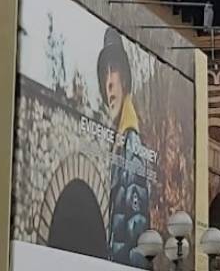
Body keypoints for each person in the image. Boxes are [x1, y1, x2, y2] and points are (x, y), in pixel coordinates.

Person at [97, 27, 150, 267]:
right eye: (104, 74)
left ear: (125, 79)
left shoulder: (131, 145)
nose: (108, 83)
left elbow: (136, 230)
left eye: (113, 70)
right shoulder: (119, 142)